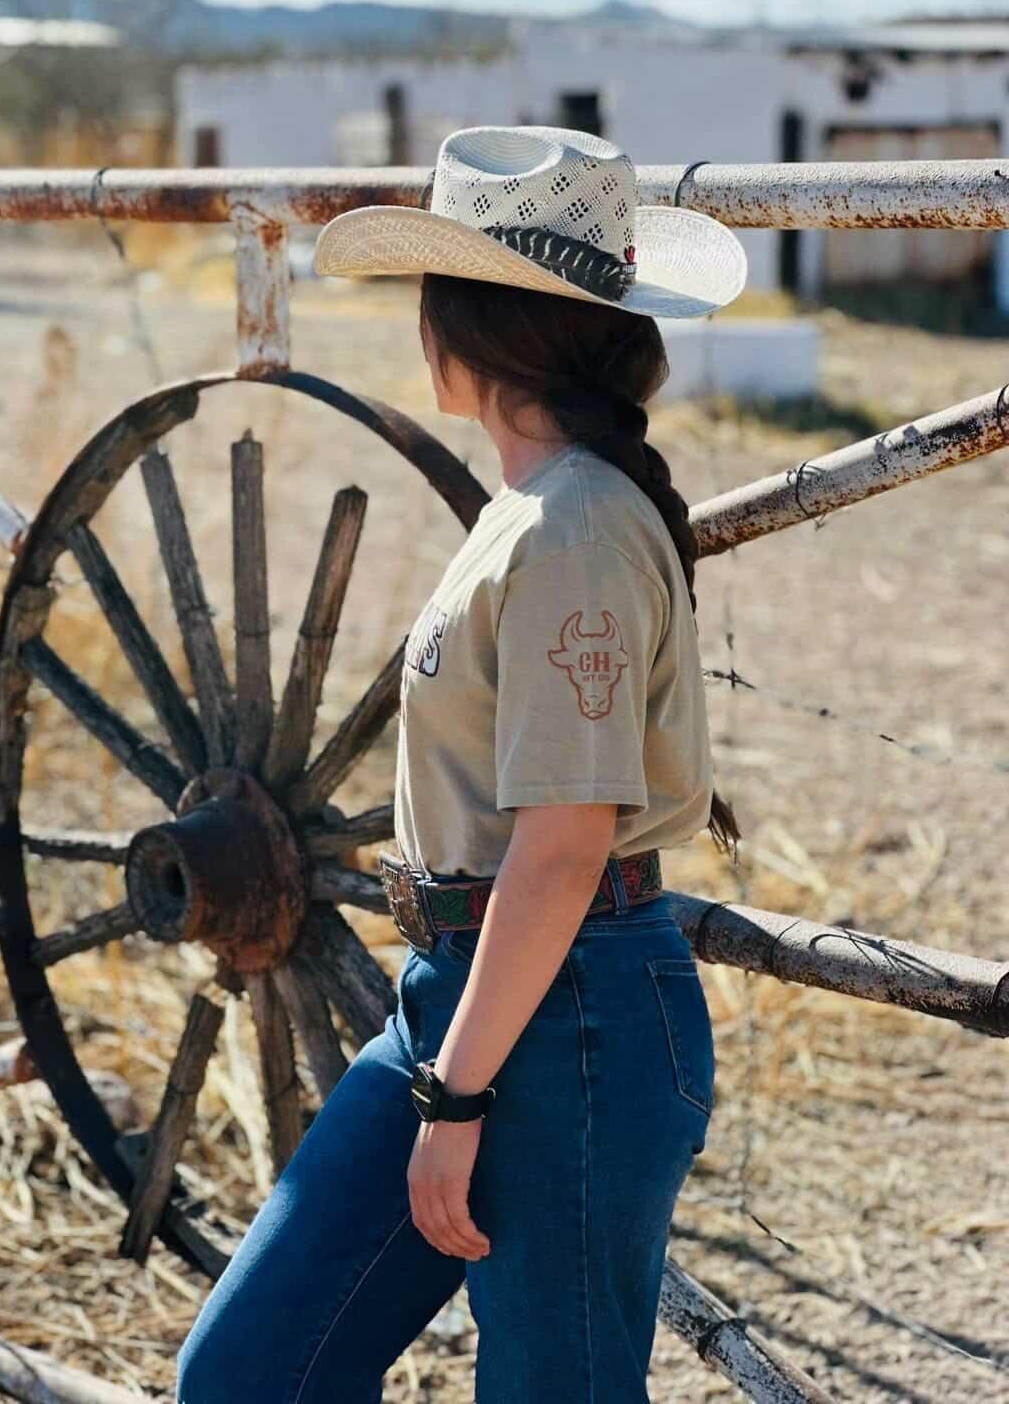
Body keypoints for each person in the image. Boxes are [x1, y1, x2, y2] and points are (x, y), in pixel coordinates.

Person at [176, 125, 746, 1403]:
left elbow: (563, 843)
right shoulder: (539, 506)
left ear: (467, 326)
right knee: (251, 1370)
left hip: (566, 1009)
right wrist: (448, 1070)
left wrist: (455, 1097)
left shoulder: (575, 530)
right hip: (471, 991)